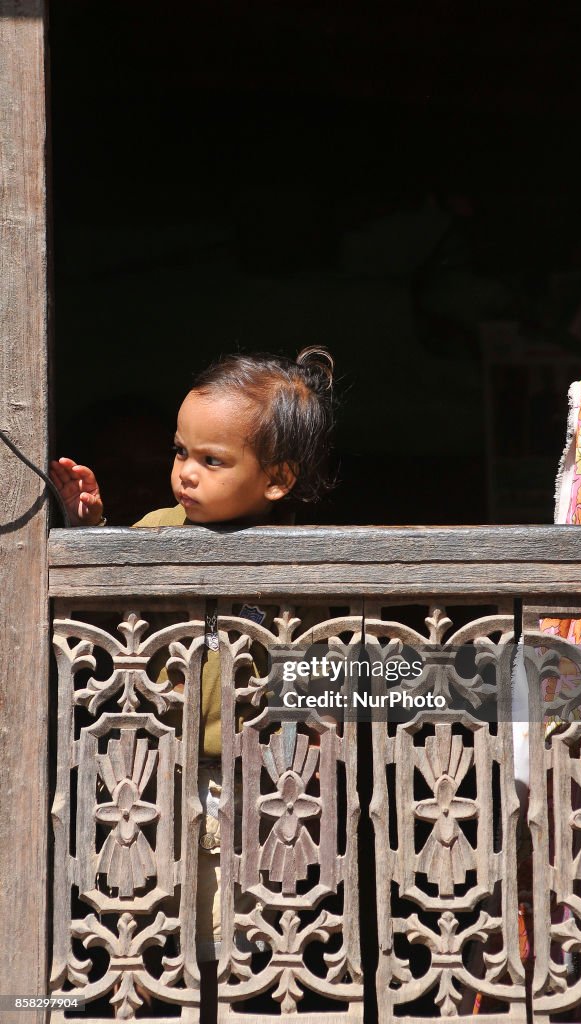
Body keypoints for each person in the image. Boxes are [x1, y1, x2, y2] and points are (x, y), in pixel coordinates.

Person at [50, 347, 336, 1019]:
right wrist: (90, 534)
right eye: (181, 453)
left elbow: (317, 681)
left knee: (231, 928)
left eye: (212, 461)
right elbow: (104, 614)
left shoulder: (304, 566)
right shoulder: (155, 532)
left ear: (276, 480)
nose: (185, 474)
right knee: (146, 919)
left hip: (251, 788)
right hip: (146, 777)